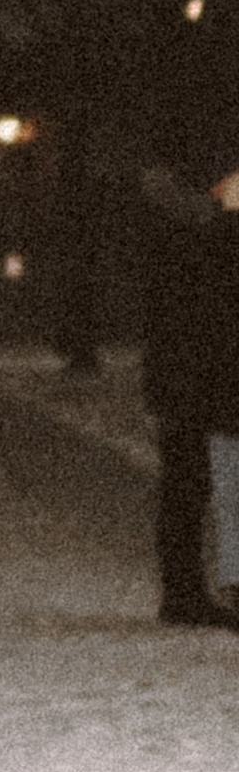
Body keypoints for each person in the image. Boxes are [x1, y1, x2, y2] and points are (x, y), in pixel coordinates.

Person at [136, 143, 239, 628]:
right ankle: (186, 592)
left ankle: (186, 591)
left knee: (192, 480)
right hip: (200, 369)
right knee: (194, 479)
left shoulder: (177, 221)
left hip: (192, 369)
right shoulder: (194, 226)